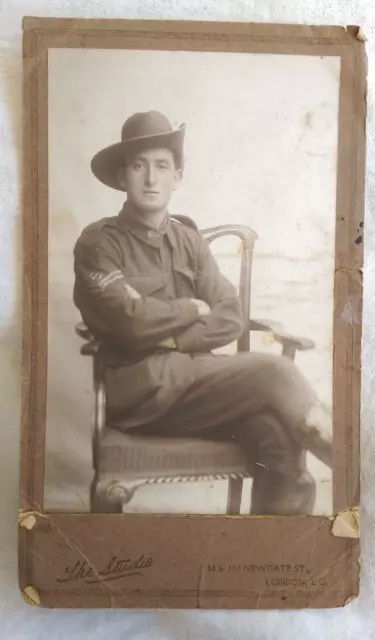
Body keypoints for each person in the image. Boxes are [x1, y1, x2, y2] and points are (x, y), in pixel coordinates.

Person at [73, 110, 332, 515]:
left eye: (162, 166)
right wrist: (190, 307)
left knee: (278, 439)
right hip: (142, 392)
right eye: (139, 166)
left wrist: (177, 337)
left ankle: (267, 563)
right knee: (275, 371)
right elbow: (128, 318)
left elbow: (232, 314)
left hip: (198, 390)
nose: (151, 178)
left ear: (178, 176)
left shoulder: (189, 241)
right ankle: (351, 461)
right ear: (122, 178)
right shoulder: (98, 244)